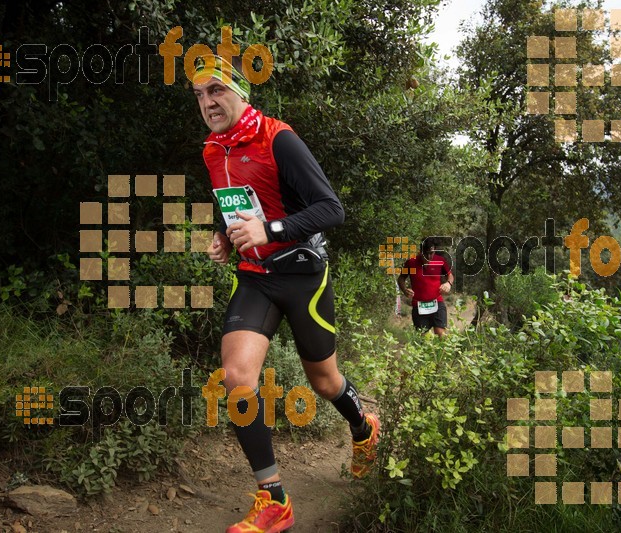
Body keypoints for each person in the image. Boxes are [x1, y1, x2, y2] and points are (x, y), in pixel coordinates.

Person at [194, 56, 380, 533]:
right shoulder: (214, 150)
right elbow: (238, 206)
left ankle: (364, 428)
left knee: (324, 380)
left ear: (240, 92)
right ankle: (273, 498)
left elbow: (331, 209)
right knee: (236, 378)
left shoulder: (279, 138)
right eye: (199, 95)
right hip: (255, 277)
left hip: (302, 276)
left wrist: (270, 229)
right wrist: (224, 235)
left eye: (216, 90)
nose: (208, 102)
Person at [397, 237, 454, 337]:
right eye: (425, 253)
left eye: (431, 253)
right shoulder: (411, 263)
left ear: (435, 250)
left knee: (441, 334)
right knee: (423, 338)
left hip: (437, 302)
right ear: (420, 251)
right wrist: (405, 290)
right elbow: (401, 278)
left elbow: (450, 275)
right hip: (419, 305)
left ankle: (443, 353)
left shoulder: (440, 261)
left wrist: (448, 283)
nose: (428, 256)